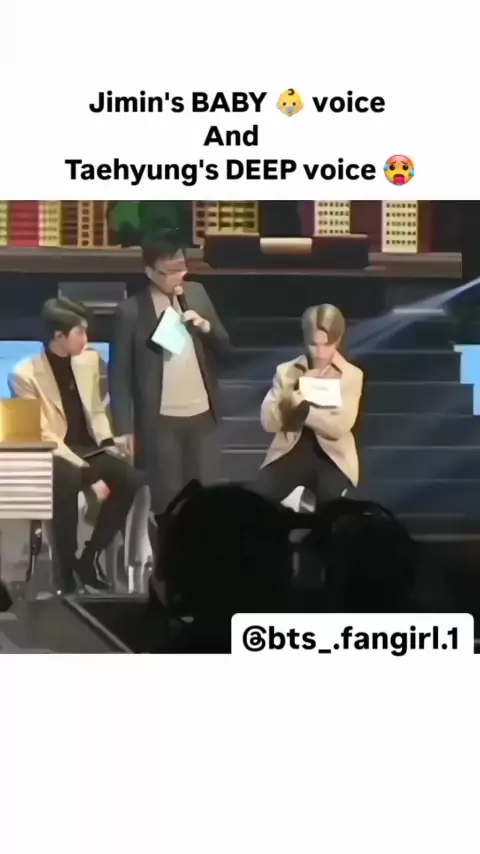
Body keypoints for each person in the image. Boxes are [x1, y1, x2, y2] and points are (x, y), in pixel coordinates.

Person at [9, 298, 142, 595]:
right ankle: (66, 572)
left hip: (88, 448)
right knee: (67, 478)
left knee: (130, 478)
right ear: (59, 336)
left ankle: (89, 557)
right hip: (54, 452)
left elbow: (96, 409)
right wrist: (86, 471)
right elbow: (44, 432)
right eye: (79, 332)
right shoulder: (23, 375)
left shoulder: (89, 361)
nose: (86, 339)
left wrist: (108, 444)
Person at [108, 230, 231, 518]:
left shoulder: (196, 293)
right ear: (150, 271)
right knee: (168, 500)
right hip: (160, 421)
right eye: (169, 272)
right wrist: (124, 429)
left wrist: (205, 327)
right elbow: (119, 375)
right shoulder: (131, 311)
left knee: (205, 498)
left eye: (181, 268)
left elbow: (225, 346)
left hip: (202, 415)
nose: (178, 278)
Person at [256, 304, 363, 508]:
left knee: (330, 504)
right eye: (314, 345)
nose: (320, 353)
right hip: (291, 450)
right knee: (259, 498)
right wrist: (290, 401)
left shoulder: (351, 375)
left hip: (333, 456)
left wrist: (305, 410)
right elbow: (268, 422)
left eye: (327, 345)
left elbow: (339, 427)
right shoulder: (287, 371)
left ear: (338, 340)